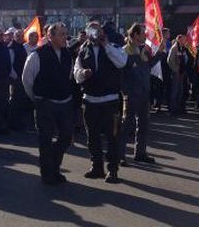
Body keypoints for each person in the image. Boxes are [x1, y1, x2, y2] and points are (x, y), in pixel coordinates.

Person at [74, 21, 127, 183]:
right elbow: (76, 74)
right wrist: (83, 73)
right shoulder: (83, 51)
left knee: (112, 136)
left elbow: (121, 62)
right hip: (90, 100)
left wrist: (106, 45)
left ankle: (112, 170)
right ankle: (97, 166)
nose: (94, 35)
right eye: (91, 31)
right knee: (93, 137)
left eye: (97, 31)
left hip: (110, 100)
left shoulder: (114, 47)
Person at [22, 22, 74, 185]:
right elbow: (27, 79)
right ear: (50, 37)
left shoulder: (67, 54)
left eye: (66, 34)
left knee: (65, 136)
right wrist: (37, 98)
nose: (65, 37)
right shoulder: (37, 55)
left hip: (64, 102)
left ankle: (54, 166)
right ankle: (48, 174)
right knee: (45, 139)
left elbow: (69, 75)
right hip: (45, 103)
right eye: (61, 34)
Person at [119, 23, 166, 166]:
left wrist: (160, 52)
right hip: (131, 95)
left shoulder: (143, 50)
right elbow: (120, 75)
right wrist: (126, 92)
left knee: (144, 125)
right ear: (135, 35)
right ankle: (120, 155)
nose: (145, 35)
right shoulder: (124, 51)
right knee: (127, 126)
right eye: (142, 33)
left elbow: (149, 65)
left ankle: (140, 153)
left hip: (144, 94)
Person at [8, 29, 32, 131]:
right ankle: (13, 123)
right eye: (18, 35)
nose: (20, 37)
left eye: (21, 35)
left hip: (22, 78)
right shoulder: (11, 48)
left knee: (21, 101)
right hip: (16, 79)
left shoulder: (21, 46)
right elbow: (10, 65)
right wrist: (16, 77)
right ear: (14, 36)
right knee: (15, 101)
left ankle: (19, 123)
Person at [168, 35, 190, 116]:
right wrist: (175, 69)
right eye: (183, 39)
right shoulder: (174, 48)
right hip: (176, 73)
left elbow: (186, 58)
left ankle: (178, 108)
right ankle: (173, 109)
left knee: (180, 91)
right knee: (175, 91)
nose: (185, 41)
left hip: (182, 72)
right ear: (179, 40)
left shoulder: (183, 48)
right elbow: (169, 60)